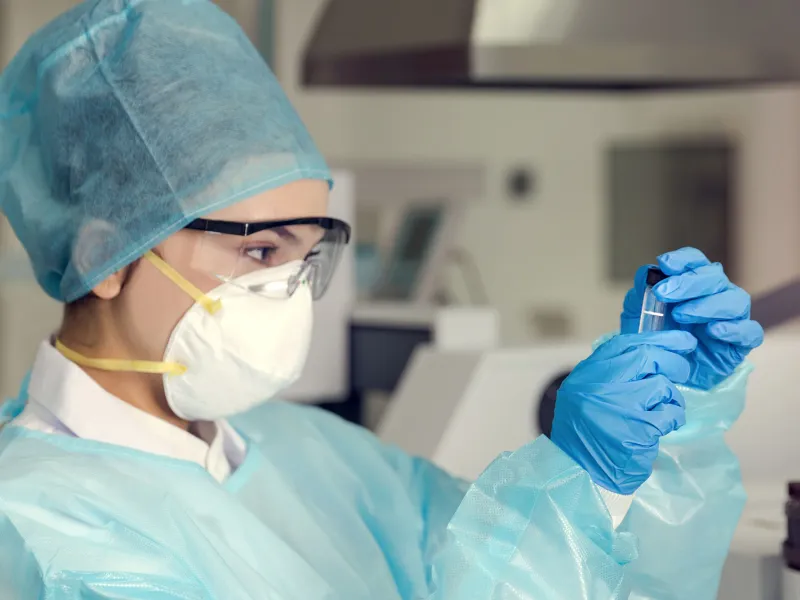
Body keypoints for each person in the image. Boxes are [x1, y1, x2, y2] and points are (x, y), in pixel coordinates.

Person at [0, 1, 764, 598]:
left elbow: (569, 576)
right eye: (260, 252)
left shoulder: (313, 456)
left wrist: (651, 443)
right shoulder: (38, 529)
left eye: (308, 257)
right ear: (105, 252)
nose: (289, 295)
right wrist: (572, 485)